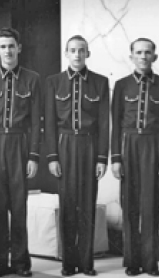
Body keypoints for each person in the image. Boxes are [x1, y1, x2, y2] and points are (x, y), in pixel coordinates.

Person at [0, 27, 40, 278]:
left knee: (19, 207)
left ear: (19, 48)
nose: (8, 51)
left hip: (20, 145)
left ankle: (22, 263)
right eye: (3, 46)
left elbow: (36, 122)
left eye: (11, 45)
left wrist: (33, 155)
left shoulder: (32, 79)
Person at [45, 35, 109, 277]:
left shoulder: (100, 83)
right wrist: (52, 157)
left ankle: (86, 263)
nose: (77, 55)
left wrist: (102, 158)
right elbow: (49, 123)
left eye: (82, 50)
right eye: (73, 50)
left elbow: (104, 125)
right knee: (68, 204)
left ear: (88, 53)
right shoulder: (54, 82)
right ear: (66, 53)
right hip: (64, 146)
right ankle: (68, 263)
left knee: (87, 205)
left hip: (90, 145)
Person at [111, 38, 159, 277]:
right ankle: (132, 262)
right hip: (128, 146)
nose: (143, 57)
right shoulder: (121, 85)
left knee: (151, 206)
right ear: (132, 57)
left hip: (153, 146)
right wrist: (115, 158)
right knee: (130, 206)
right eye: (138, 52)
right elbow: (115, 124)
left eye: (148, 53)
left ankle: (150, 263)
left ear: (154, 57)